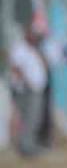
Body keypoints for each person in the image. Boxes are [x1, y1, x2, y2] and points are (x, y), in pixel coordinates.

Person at [8, 22, 49, 157]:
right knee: (28, 119)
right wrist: (28, 83)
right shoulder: (20, 47)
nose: (36, 38)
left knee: (34, 118)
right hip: (27, 90)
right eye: (34, 35)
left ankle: (29, 144)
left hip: (36, 89)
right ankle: (25, 147)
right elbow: (16, 68)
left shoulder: (33, 48)